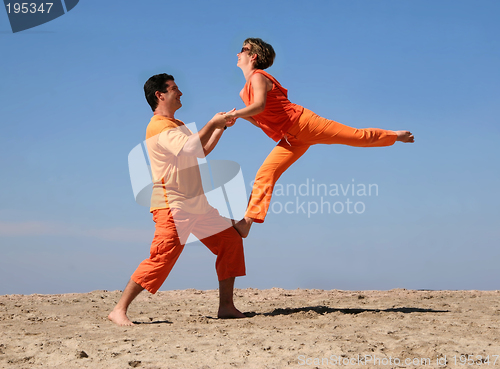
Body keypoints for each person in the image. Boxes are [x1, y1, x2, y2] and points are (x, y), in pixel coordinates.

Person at [224, 38, 415, 238]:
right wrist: (241, 117)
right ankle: (247, 223)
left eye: (242, 49)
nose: (238, 54)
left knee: (358, 136)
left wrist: (236, 114)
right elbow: (261, 118)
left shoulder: (258, 77)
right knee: (265, 173)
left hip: (305, 124)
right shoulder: (243, 92)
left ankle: (395, 135)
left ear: (253, 55)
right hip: (290, 140)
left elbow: (260, 106)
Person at [108, 73, 246, 326]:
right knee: (161, 258)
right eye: (174, 89)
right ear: (160, 95)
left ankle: (226, 306)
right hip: (173, 205)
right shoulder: (159, 126)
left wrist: (221, 126)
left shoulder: (176, 124)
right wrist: (213, 122)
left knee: (230, 242)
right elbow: (191, 147)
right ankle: (119, 309)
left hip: (198, 205)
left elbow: (200, 150)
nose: (180, 92)